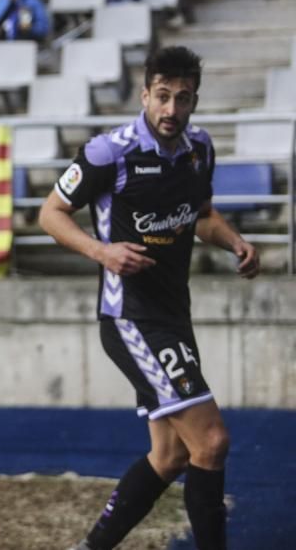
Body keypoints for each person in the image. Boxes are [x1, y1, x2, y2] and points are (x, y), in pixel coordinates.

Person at [38, 46, 259, 550]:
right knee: (212, 441)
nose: (171, 110)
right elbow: (50, 214)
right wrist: (103, 252)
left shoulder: (199, 149)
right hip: (130, 318)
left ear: (194, 101)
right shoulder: (108, 152)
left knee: (171, 456)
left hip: (173, 317)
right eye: (162, 97)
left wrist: (235, 241)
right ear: (144, 95)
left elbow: (202, 215)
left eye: (183, 99)